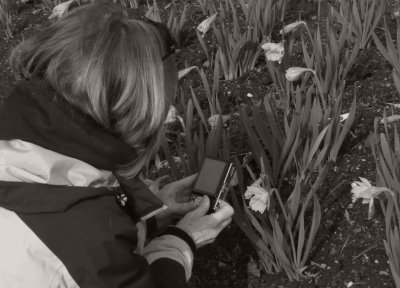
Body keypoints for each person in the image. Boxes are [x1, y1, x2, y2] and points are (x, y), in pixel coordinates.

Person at [0, 2, 234, 288]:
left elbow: (66, 197)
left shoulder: (24, 141)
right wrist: (183, 240)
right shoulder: (89, 244)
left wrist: (155, 209)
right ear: (135, 115)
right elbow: (88, 248)